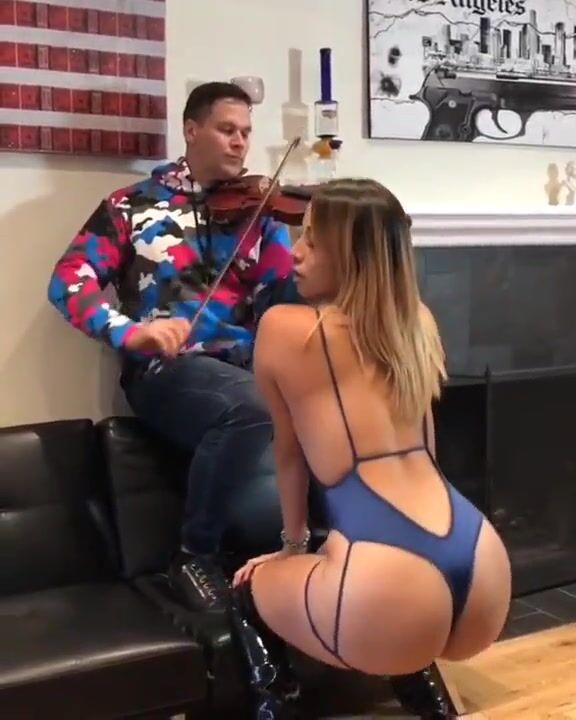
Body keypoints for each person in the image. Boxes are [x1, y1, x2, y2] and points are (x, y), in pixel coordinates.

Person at [229, 179, 512, 719]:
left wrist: (291, 549)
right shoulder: (417, 322)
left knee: (247, 591)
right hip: (479, 561)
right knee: (394, 615)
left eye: (313, 240)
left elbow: (288, 454)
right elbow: (426, 444)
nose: (296, 252)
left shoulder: (284, 329)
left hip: (387, 574)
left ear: (352, 255)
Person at [47, 81, 296, 613]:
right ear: (191, 129)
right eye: (227, 129)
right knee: (253, 407)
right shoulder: (132, 205)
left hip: (246, 365)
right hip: (168, 370)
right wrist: (129, 332)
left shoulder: (260, 213)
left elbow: (283, 301)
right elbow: (68, 281)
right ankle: (193, 553)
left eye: (246, 132)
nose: (240, 142)